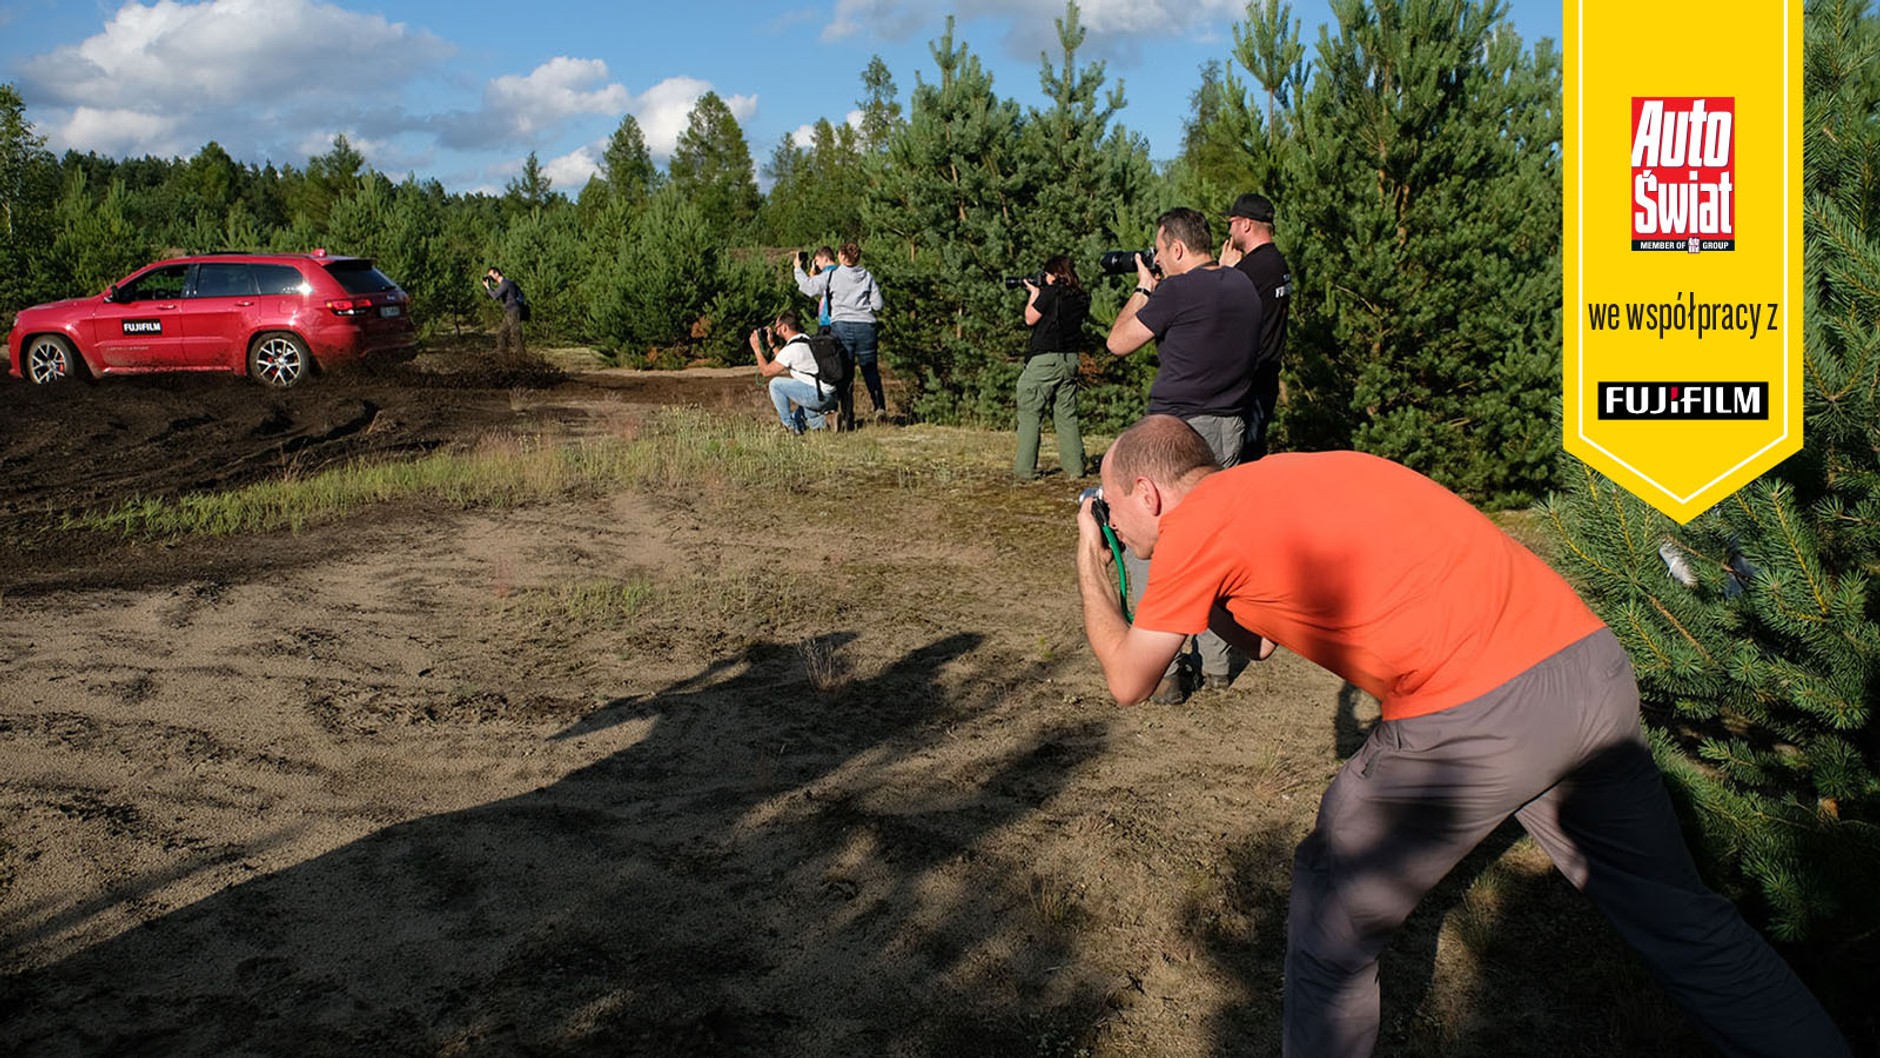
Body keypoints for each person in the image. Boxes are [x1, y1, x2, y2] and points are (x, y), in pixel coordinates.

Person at [1075, 414, 1852, 1058]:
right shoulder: (1295, 474)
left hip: (1476, 716)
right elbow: (1262, 640)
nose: (1117, 523)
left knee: (1329, 921)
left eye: (1113, 507)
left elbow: (1127, 681)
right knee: (1680, 917)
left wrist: (1093, 566)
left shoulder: (1196, 525)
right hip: (1586, 666)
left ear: (1146, 491)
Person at [1105, 207, 1263, 702]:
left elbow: (1117, 342)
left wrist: (1144, 287)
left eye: (1160, 251)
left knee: (1155, 546)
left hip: (1173, 435)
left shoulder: (1175, 289)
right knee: (1219, 544)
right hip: (1229, 427)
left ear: (1176, 248)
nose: (1158, 260)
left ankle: (1167, 671)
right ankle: (1218, 664)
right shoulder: (1242, 287)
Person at [1219, 193, 1292, 459]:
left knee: (1243, 455)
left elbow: (1218, 314)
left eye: (1232, 222)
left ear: (1246, 224)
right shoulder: (1277, 263)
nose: (1229, 230)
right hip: (1268, 373)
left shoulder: (1249, 271)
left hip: (1249, 379)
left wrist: (1225, 273)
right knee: (1255, 447)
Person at [1014, 255, 1090, 480]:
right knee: (1067, 415)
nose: (1044, 277)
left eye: (1046, 274)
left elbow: (1030, 318)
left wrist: (1034, 294)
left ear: (1055, 274)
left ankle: (1024, 471)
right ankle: (1075, 468)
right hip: (1070, 360)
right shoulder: (1081, 297)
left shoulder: (1049, 293)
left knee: (1030, 414)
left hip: (1045, 360)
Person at [796, 241, 885, 428]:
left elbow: (808, 288)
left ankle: (847, 416)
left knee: (845, 373)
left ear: (841, 256)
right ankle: (879, 408)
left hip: (842, 326)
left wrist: (798, 269)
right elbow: (878, 305)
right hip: (866, 327)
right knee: (870, 370)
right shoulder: (867, 276)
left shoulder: (832, 275)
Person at [749, 310, 835, 434]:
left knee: (775, 384)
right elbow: (785, 361)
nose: (775, 329)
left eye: (777, 327)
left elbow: (766, 371)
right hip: (829, 395)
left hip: (817, 396)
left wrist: (756, 349)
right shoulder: (806, 340)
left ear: (784, 327)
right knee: (799, 417)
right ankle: (827, 420)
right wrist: (772, 344)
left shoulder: (791, 350)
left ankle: (790, 428)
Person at [482, 266, 526, 364]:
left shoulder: (505, 283)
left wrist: (488, 287)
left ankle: (523, 359)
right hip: (509, 312)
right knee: (501, 335)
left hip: (513, 311)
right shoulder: (505, 284)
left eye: (491, 275)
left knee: (515, 335)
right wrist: (489, 288)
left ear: (496, 273)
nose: (490, 278)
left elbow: (495, 296)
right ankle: (504, 359)